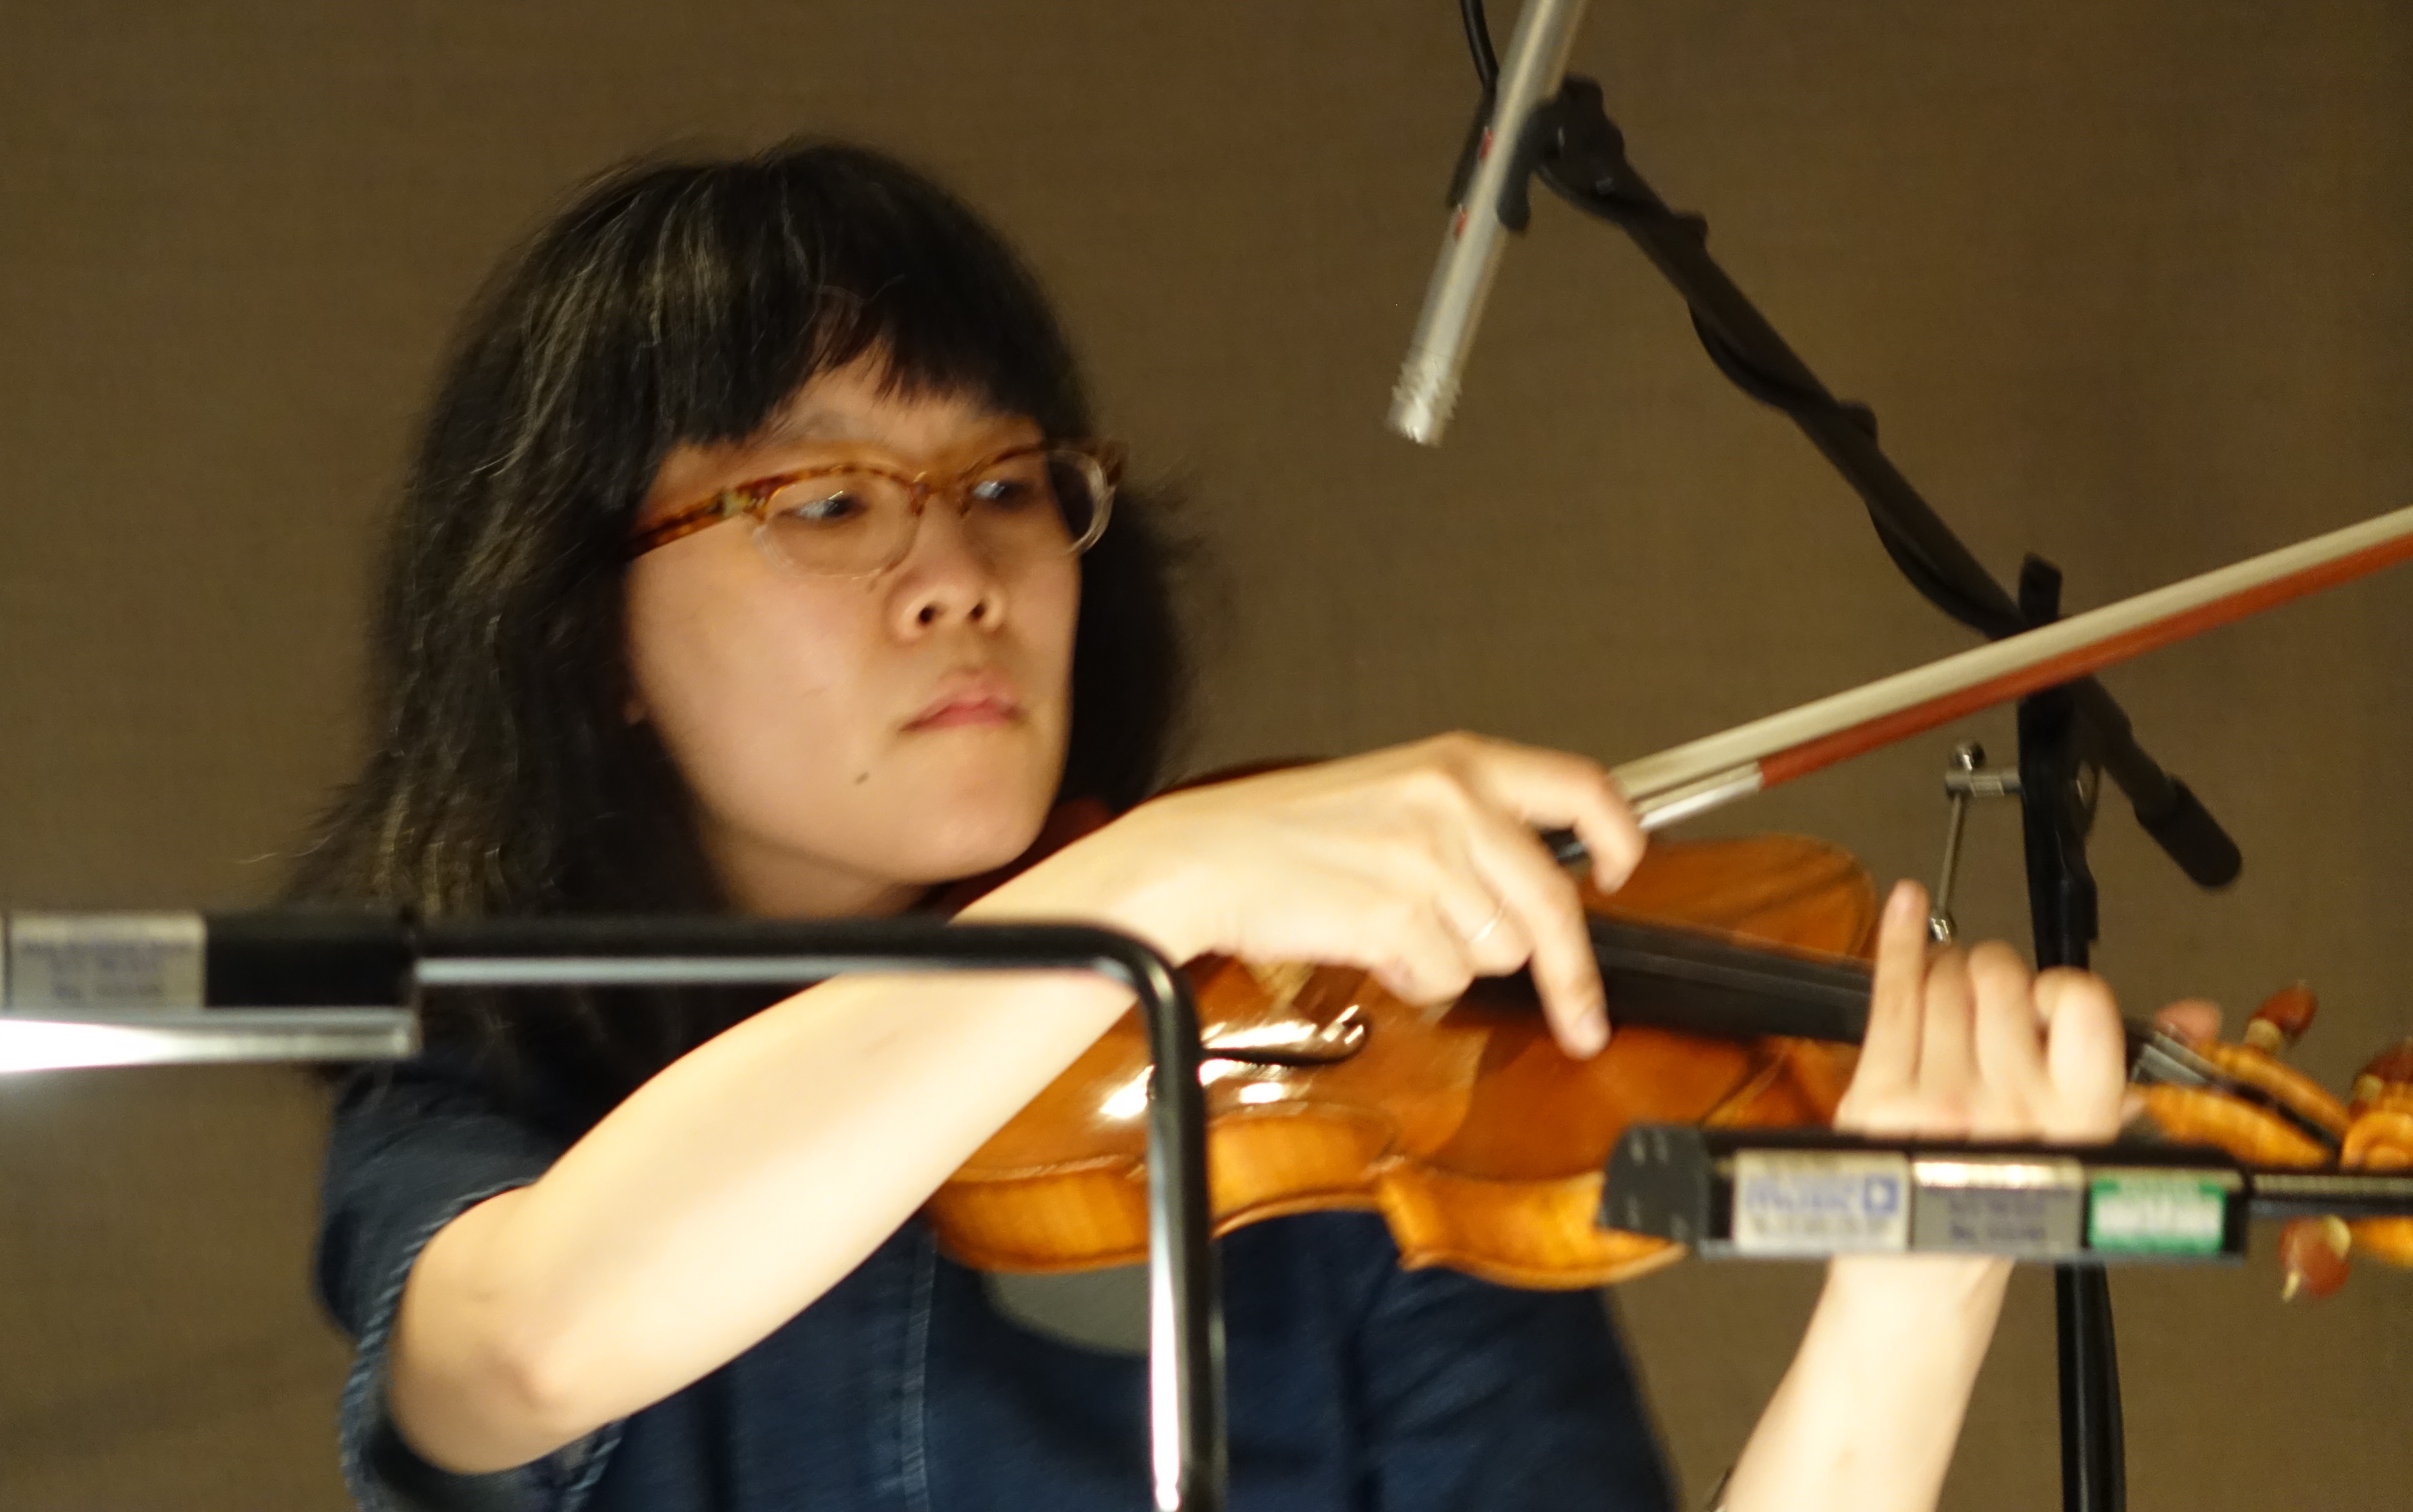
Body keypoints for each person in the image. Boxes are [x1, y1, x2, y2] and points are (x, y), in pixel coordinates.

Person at [301, 140, 2135, 1512]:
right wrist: (1139, 890)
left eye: (1006, 482)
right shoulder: (492, 1088)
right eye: (828, 497)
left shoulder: (1331, 1074)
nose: (958, 572)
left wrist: (1923, 1281)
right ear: (583, 622)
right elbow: (516, 1349)